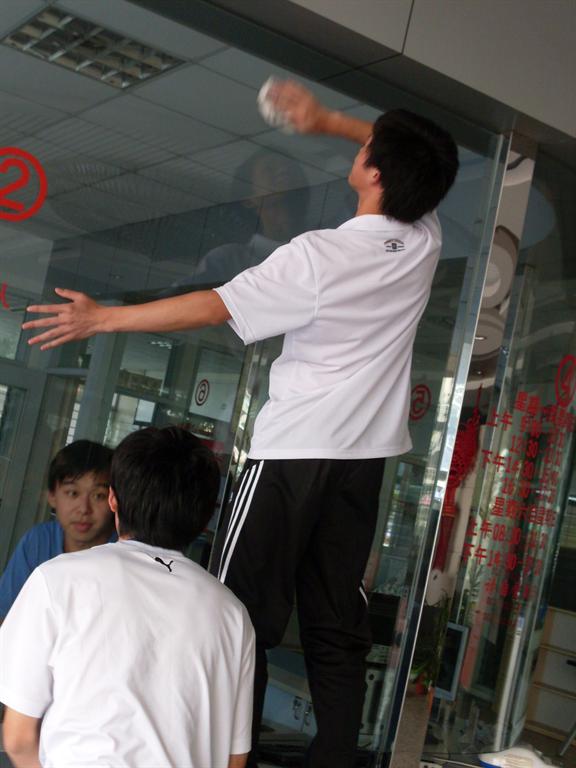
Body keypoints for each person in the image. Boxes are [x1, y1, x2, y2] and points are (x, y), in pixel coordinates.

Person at [21, 80, 459, 767]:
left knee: (238, 614)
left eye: (369, 144)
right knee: (336, 623)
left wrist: (102, 318)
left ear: (376, 172)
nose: (362, 140)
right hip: (365, 462)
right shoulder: (422, 240)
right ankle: (335, 758)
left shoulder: (319, 256)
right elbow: (409, 159)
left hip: (291, 457)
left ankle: (235, 757)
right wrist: (327, 120)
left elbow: (214, 304)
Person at [0, 426, 255, 768]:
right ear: (209, 515)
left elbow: (18, 739)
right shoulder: (232, 613)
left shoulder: (57, 580)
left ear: (113, 500)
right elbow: (235, 758)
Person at [0, 439, 115, 620]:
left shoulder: (124, 554)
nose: (84, 509)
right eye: (73, 493)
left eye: (99, 496)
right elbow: (6, 616)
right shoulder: (38, 541)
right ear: (52, 496)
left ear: (114, 501)